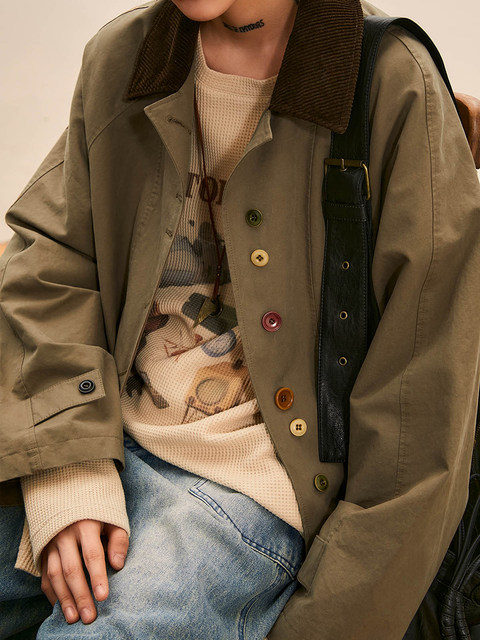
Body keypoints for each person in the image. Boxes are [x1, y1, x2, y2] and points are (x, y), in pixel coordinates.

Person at [1, 0, 480, 638]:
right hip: (103, 429)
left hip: (256, 488)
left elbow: (421, 413)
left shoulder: (391, 84)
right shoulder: (125, 58)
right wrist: (68, 471)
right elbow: (49, 268)